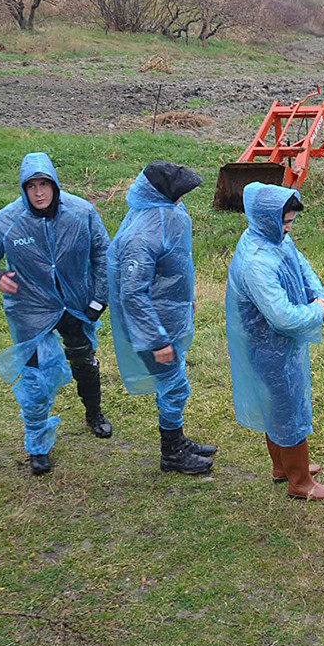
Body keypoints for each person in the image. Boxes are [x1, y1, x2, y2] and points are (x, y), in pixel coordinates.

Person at [0, 152, 111, 476]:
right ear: (23, 189)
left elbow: (104, 253)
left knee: (85, 362)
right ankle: (37, 445)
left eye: (45, 184)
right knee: (33, 379)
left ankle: (94, 414)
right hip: (30, 309)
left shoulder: (81, 212)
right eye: (32, 186)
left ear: (55, 184)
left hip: (75, 303)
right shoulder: (8, 220)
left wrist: (100, 299)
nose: (39, 192)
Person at [225, 183, 324, 501]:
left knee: (277, 405)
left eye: (290, 222)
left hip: (279, 345)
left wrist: (318, 295)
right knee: (286, 409)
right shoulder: (257, 262)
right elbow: (283, 318)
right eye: (285, 222)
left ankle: (282, 467)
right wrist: (316, 313)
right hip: (268, 346)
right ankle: (300, 482)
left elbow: (301, 266)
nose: (288, 229)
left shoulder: (273, 238)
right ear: (267, 219)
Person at [107, 161, 217, 476]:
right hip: (154, 326)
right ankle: (171, 453)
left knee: (174, 383)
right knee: (173, 384)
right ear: (160, 194)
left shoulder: (163, 215)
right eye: (179, 195)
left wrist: (188, 298)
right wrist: (155, 339)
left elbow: (174, 265)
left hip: (168, 315)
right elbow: (132, 294)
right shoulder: (142, 233)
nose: (182, 200)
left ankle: (177, 440)